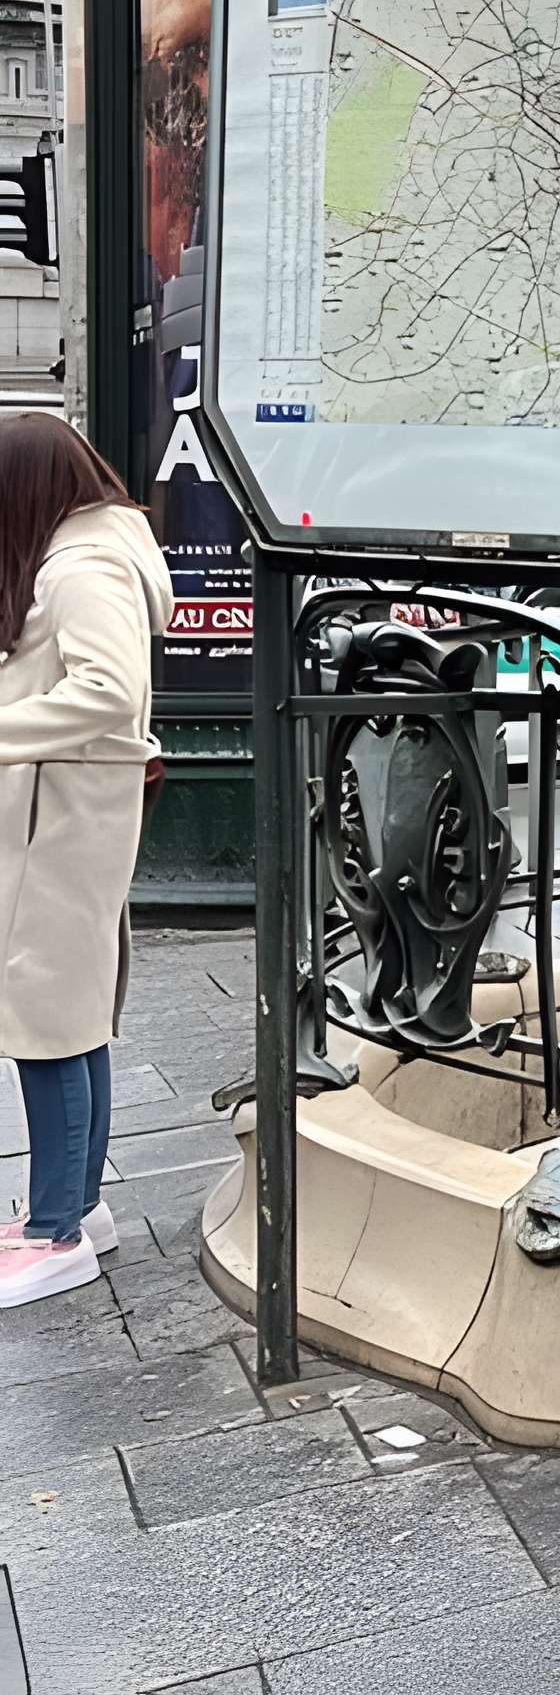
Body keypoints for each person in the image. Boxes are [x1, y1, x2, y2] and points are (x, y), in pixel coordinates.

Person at [0, 417, 173, 1308]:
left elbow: (103, 694)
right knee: (72, 1016)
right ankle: (79, 1209)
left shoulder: (79, 567)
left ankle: (54, 1229)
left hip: (57, 820)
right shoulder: (104, 549)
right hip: (69, 813)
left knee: (46, 1022)